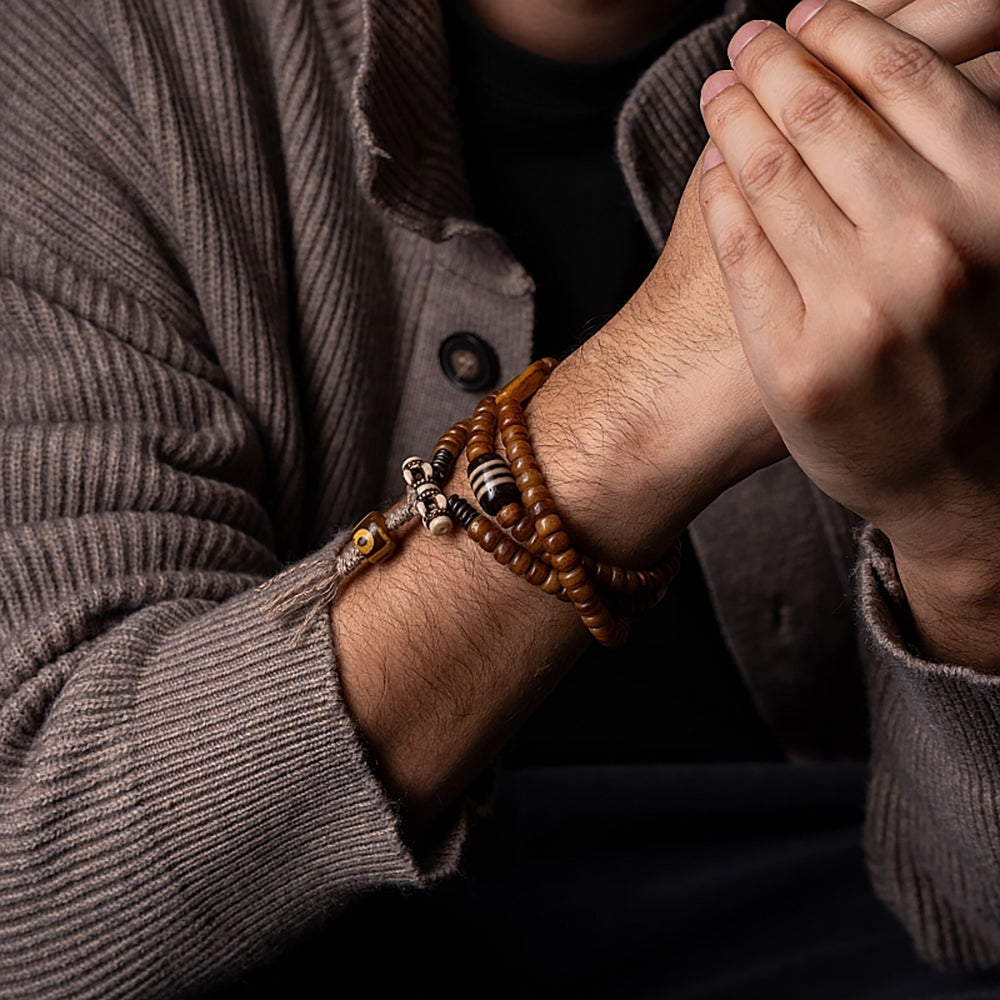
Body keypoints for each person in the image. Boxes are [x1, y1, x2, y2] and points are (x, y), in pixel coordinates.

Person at [2, 0, 1000, 996]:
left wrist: (965, 541)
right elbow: (40, 901)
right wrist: (635, 413)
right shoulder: (93, 49)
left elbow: (971, 920)